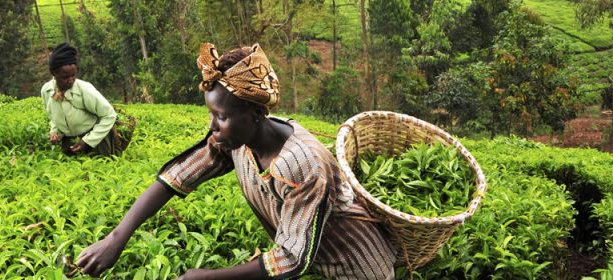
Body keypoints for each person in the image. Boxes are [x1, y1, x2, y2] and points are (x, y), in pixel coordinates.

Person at [76, 43, 397, 279]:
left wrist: (206, 277)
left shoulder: (303, 165)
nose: (213, 126)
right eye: (212, 114)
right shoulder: (235, 140)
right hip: (314, 256)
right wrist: (116, 238)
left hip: (356, 264)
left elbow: (290, 259)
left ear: (256, 113)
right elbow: (178, 176)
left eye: (221, 116)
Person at [41, 42, 118, 156]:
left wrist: (87, 141)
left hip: (96, 140)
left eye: (73, 75)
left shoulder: (84, 89)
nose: (71, 80)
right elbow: (53, 116)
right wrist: (54, 131)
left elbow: (109, 115)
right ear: (54, 73)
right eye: (65, 77)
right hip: (70, 142)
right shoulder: (46, 91)